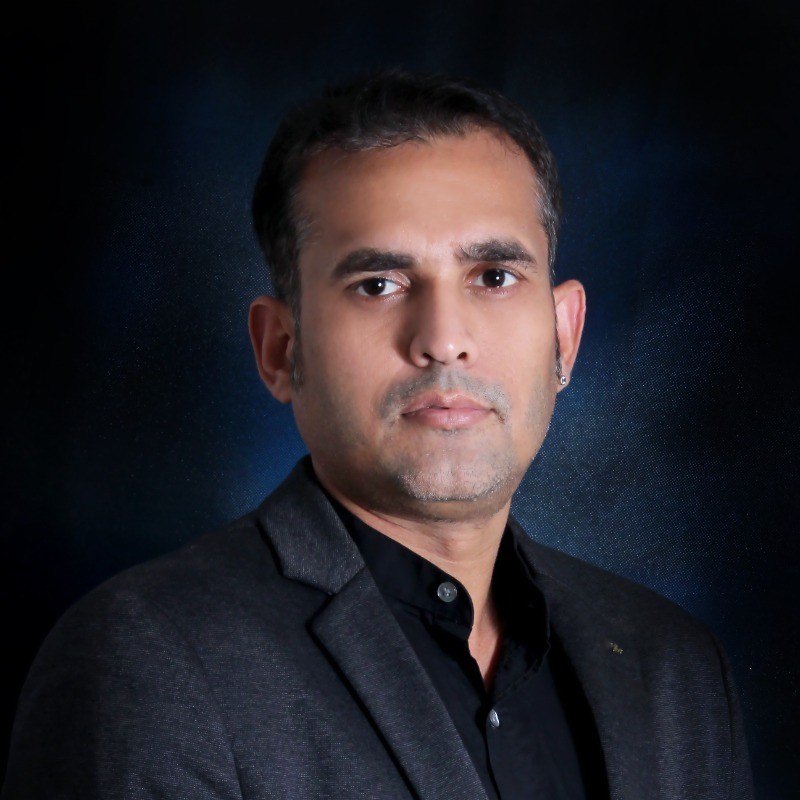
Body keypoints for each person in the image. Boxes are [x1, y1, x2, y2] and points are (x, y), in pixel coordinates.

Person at [3, 70, 752, 800]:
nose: (444, 339)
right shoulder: (150, 662)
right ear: (281, 350)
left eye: (494, 276)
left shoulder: (672, 669)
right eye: (378, 285)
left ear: (565, 334)